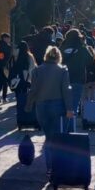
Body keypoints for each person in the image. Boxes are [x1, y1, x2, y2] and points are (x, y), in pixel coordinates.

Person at [25, 45, 73, 174]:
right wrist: (70, 108)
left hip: (41, 107)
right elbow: (66, 90)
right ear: (59, 57)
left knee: (48, 137)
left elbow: (33, 89)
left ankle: (50, 167)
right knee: (57, 137)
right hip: (58, 106)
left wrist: (28, 105)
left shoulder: (37, 70)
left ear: (46, 56)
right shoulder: (63, 70)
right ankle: (56, 166)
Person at [60, 28, 95, 115]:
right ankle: (71, 125)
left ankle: (64, 125)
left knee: (63, 104)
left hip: (63, 80)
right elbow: (90, 60)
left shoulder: (62, 47)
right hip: (78, 79)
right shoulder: (81, 47)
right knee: (74, 105)